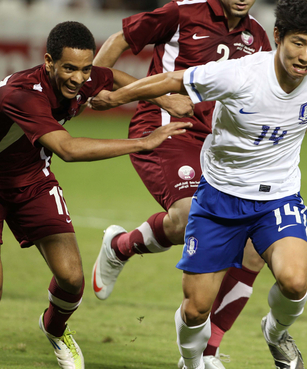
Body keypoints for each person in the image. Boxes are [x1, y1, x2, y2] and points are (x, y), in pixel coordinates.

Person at [90, 0, 307, 367]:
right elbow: (174, 79)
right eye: (299, 43)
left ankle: (275, 334)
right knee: (194, 310)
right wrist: (115, 97)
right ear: (279, 38)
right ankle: (190, 359)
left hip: (278, 198)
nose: (306, 56)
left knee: (295, 282)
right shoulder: (239, 73)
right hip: (219, 196)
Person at [0, 21, 192, 369]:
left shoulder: (86, 75)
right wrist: (143, 141)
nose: (79, 79)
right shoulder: (23, 94)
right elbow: (69, 149)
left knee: (73, 278)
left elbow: (114, 76)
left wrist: (161, 96)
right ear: (48, 62)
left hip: (33, 178)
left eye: (85, 68)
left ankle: (55, 328)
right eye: (70, 69)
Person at [91, 1, 271, 367]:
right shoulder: (182, 12)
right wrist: (98, 83)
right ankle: (121, 246)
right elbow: (120, 39)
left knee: (256, 244)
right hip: (165, 131)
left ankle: (208, 353)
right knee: (190, 214)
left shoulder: (258, 37)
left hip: (220, 146)